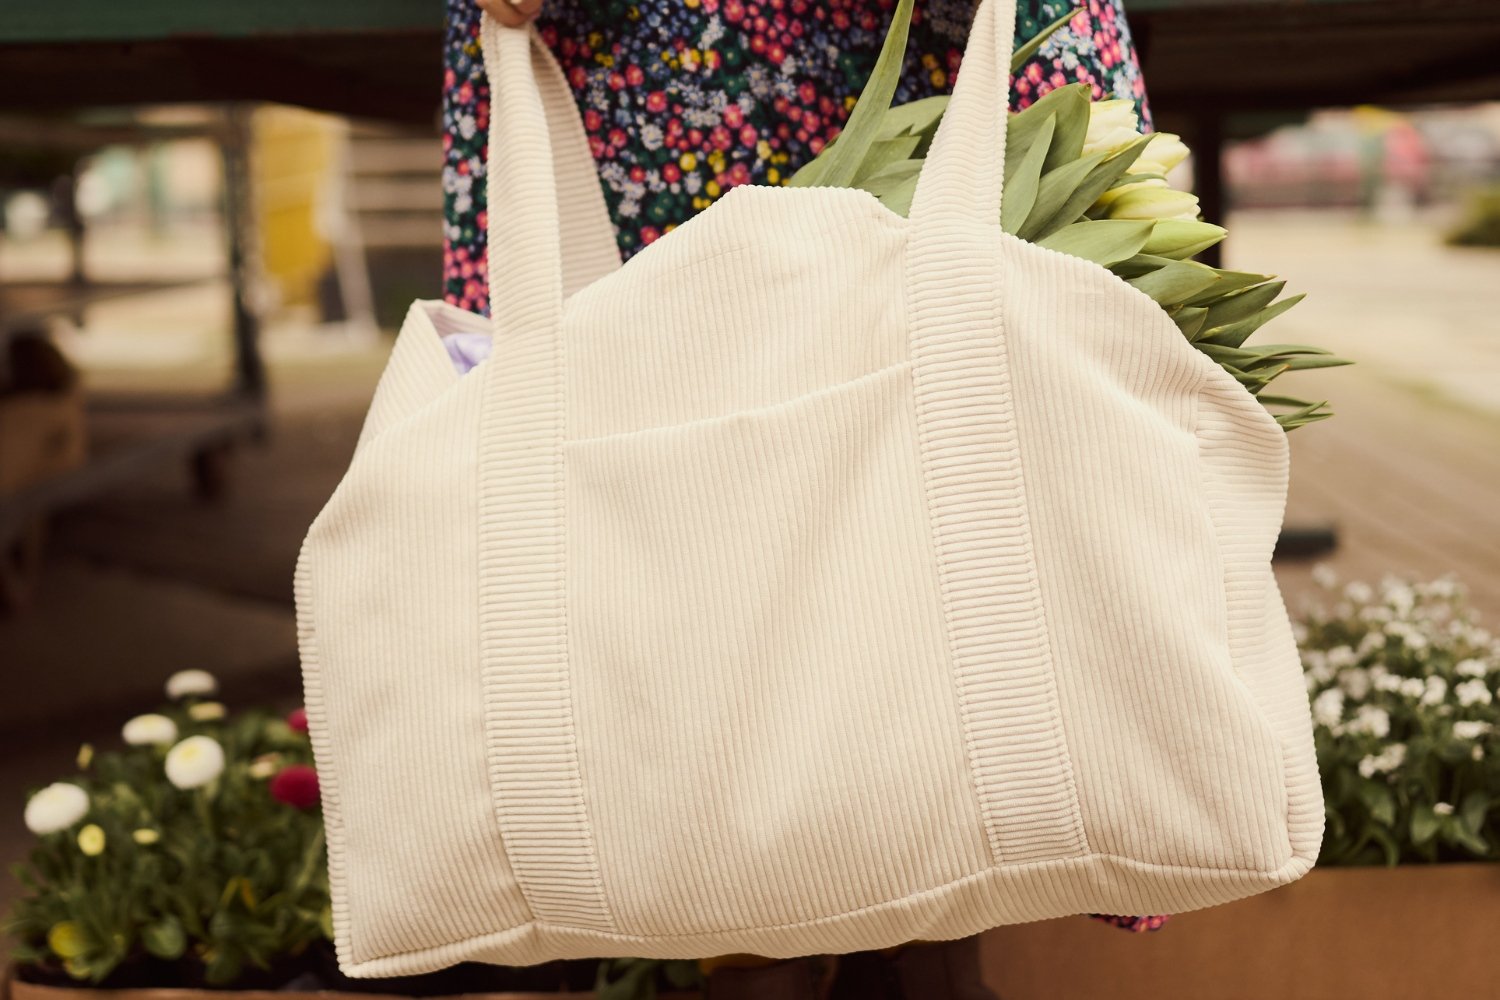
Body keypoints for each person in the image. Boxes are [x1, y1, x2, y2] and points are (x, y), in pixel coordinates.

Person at [442, 1, 1164, 995]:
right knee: (677, 547)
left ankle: (892, 949)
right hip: (658, 77)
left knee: (929, 513)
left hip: (873, 57)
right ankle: (784, 952)